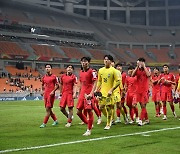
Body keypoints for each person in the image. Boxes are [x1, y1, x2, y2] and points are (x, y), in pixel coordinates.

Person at [95, 55, 121, 130]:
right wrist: (97, 89)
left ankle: (108, 124)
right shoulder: (100, 70)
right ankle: (110, 119)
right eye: (105, 59)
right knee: (100, 107)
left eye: (107, 59)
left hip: (110, 93)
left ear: (110, 61)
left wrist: (111, 90)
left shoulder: (114, 71)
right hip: (102, 92)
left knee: (108, 107)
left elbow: (118, 82)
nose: (106, 61)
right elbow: (99, 81)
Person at [77, 57, 97, 136]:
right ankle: (89, 124)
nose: (83, 63)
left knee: (89, 111)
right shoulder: (81, 72)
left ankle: (89, 130)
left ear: (88, 62)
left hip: (89, 93)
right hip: (82, 94)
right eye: (82, 61)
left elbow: (95, 82)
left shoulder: (92, 71)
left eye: (85, 61)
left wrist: (91, 94)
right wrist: (79, 92)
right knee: (78, 112)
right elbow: (82, 83)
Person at [132, 57, 151, 126]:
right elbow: (132, 75)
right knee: (142, 106)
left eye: (141, 62)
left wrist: (144, 66)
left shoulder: (147, 69)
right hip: (138, 90)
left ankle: (140, 120)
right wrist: (137, 67)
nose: (140, 63)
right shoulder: (137, 70)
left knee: (143, 105)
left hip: (145, 90)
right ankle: (147, 120)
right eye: (139, 62)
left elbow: (148, 75)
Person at [40, 64, 59, 128]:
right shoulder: (44, 77)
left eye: (49, 67)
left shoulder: (54, 76)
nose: (47, 68)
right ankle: (55, 120)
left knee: (48, 109)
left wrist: (53, 91)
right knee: (48, 109)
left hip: (51, 95)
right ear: (45, 69)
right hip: (46, 94)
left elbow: (57, 85)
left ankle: (44, 123)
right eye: (46, 67)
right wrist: (42, 91)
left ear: (51, 68)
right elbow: (42, 85)